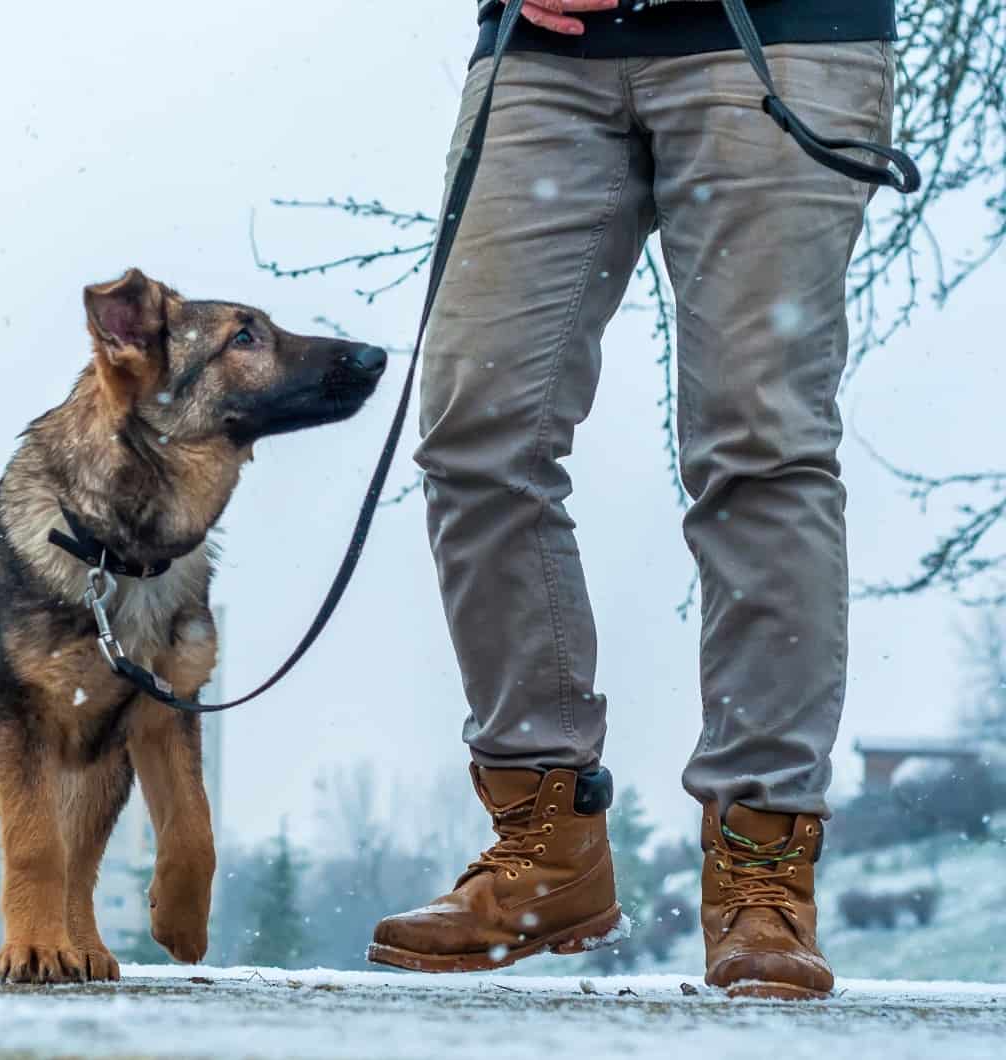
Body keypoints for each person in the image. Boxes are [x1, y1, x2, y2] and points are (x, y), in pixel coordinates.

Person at [367, 0, 896, 1000]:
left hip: (779, 36)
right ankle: (545, 838)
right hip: (543, 55)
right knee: (477, 427)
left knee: (760, 446)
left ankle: (761, 871)